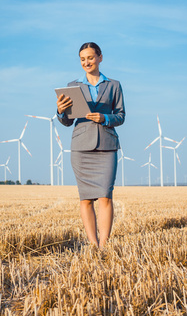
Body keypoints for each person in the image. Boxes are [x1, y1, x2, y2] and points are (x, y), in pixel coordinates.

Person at [56, 42, 125, 249]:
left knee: (105, 195)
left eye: (91, 58)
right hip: (81, 147)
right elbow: (67, 121)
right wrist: (60, 111)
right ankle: (93, 244)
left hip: (106, 145)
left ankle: (104, 244)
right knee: (85, 199)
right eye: (83, 59)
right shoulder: (72, 86)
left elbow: (121, 116)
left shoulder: (114, 85)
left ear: (100, 58)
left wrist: (104, 117)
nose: (87, 62)